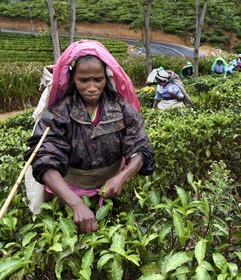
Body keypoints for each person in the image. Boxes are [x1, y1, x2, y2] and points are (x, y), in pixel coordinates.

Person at [24, 40, 155, 234]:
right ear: (73, 79)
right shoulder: (60, 112)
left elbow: (140, 147)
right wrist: (75, 203)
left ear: (106, 78)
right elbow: (44, 159)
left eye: (98, 79)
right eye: (84, 80)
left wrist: (122, 177)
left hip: (111, 190)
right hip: (67, 193)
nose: (92, 87)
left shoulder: (121, 108)